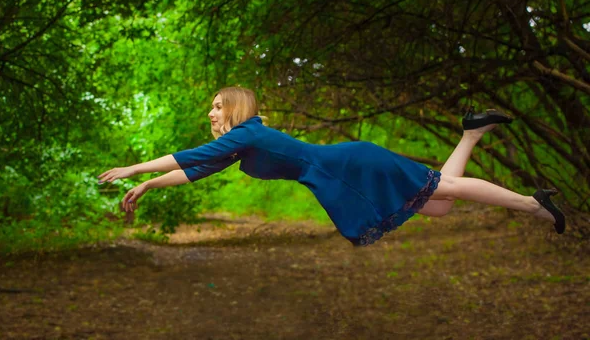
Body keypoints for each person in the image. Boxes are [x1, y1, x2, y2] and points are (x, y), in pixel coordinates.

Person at [98, 87, 565, 246]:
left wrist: (132, 169)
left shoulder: (251, 132)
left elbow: (189, 157)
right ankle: (472, 132)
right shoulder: (241, 146)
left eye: (218, 106)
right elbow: (192, 168)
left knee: (447, 189)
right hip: (339, 172)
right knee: (440, 202)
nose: (211, 113)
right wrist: (149, 186)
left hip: (350, 164)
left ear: (238, 108)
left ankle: (531, 203)